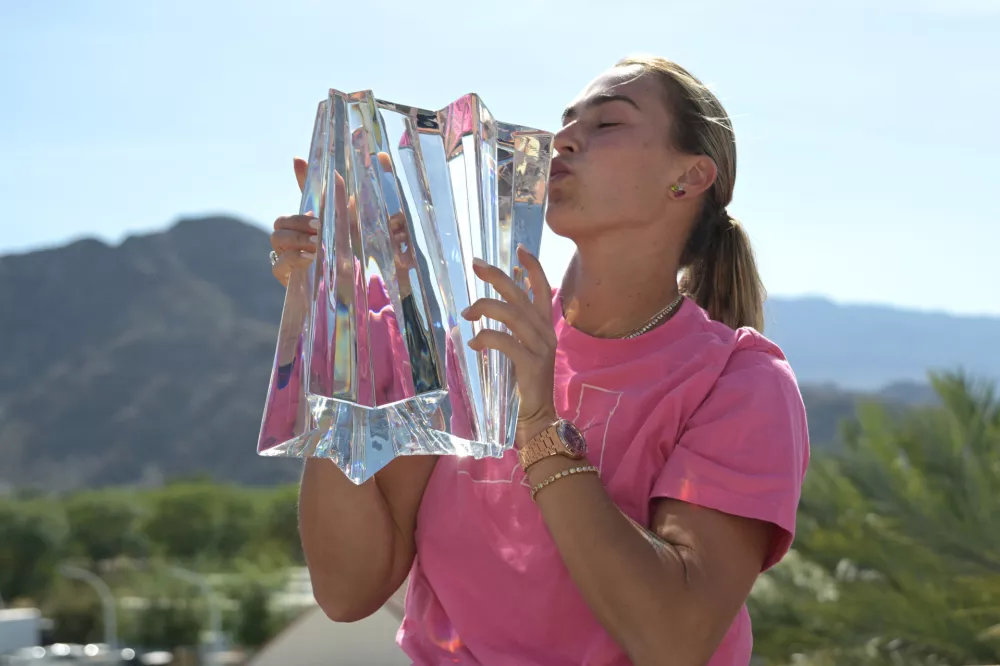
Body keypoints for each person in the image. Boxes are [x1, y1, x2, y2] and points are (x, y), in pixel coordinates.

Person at [268, 55, 810, 666]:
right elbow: (348, 589)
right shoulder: (474, 340)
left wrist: (537, 426)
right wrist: (337, 329)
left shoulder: (740, 384)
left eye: (607, 124)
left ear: (688, 177)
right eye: (567, 121)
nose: (566, 138)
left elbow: (674, 637)